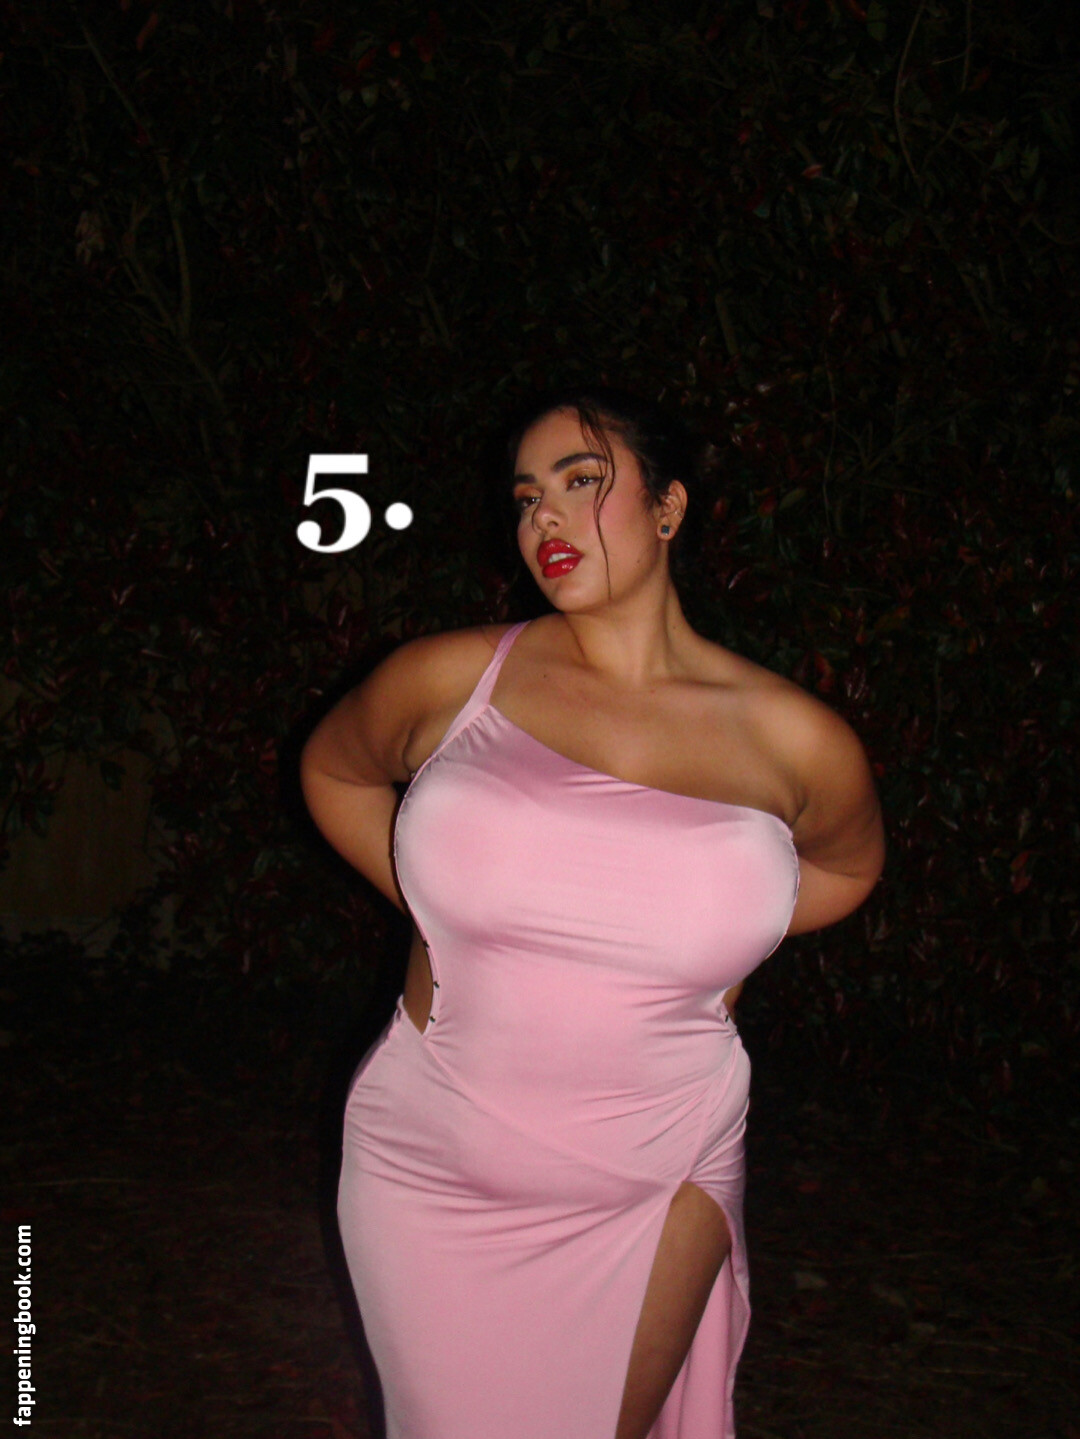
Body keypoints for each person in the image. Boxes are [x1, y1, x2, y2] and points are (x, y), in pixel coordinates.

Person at [300, 388, 885, 1439]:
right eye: (528, 496)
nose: (546, 519)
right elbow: (335, 770)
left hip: (659, 1165)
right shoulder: (450, 678)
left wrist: (691, 948)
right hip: (434, 1169)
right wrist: (456, 916)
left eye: (582, 481)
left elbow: (845, 870)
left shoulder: (794, 738)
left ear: (668, 508)